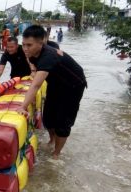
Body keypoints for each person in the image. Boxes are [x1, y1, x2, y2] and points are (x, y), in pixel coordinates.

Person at [20, 25, 87, 159]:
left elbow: (36, 85)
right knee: (49, 118)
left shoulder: (48, 56)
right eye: (23, 45)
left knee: (63, 122)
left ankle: (56, 153)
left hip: (72, 86)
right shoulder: (34, 54)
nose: (25, 49)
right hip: (56, 83)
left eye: (29, 45)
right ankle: (51, 140)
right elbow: (35, 73)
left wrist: (22, 106)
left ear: (41, 43)